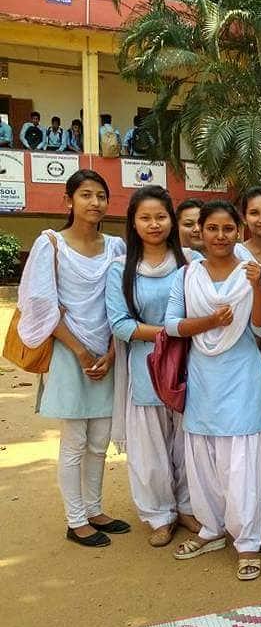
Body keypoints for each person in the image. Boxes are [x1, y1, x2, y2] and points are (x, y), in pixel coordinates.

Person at [16, 169, 129, 547]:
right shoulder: (50, 244)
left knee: (99, 439)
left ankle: (95, 509)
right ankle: (76, 519)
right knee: (75, 440)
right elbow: (42, 305)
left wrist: (110, 353)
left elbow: (122, 303)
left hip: (106, 352)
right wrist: (80, 351)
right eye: (85, 194)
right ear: (68, 200)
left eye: (101, 195)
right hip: (68, 353)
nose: (95, 202)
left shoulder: (116, 247)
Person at [164, 199, 261, 581]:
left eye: (228, 229)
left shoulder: (251, 273)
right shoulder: (187, 275)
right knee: (203, 460)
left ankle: (247, 542)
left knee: (240, 465)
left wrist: (257, 287)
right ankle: (210, 529)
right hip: (203, 378)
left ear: (238, 232)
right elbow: (172, 325)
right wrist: (210, 321)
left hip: (241, 377)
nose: (220, 236)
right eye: (212, 228)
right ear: (201, 232)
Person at [106, 186, 199, 548]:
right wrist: (170, 331)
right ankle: (160, 514)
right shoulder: (120, 269)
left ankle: (188, 507)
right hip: (146, 366)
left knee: (188, 442)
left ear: (172, 220)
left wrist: (180, 333)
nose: (154, 224)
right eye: (145, 218)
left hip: (190, 363)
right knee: (149, 448)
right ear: (133, 223)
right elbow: (120, 324)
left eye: (161, 216)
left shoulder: (190, 262)